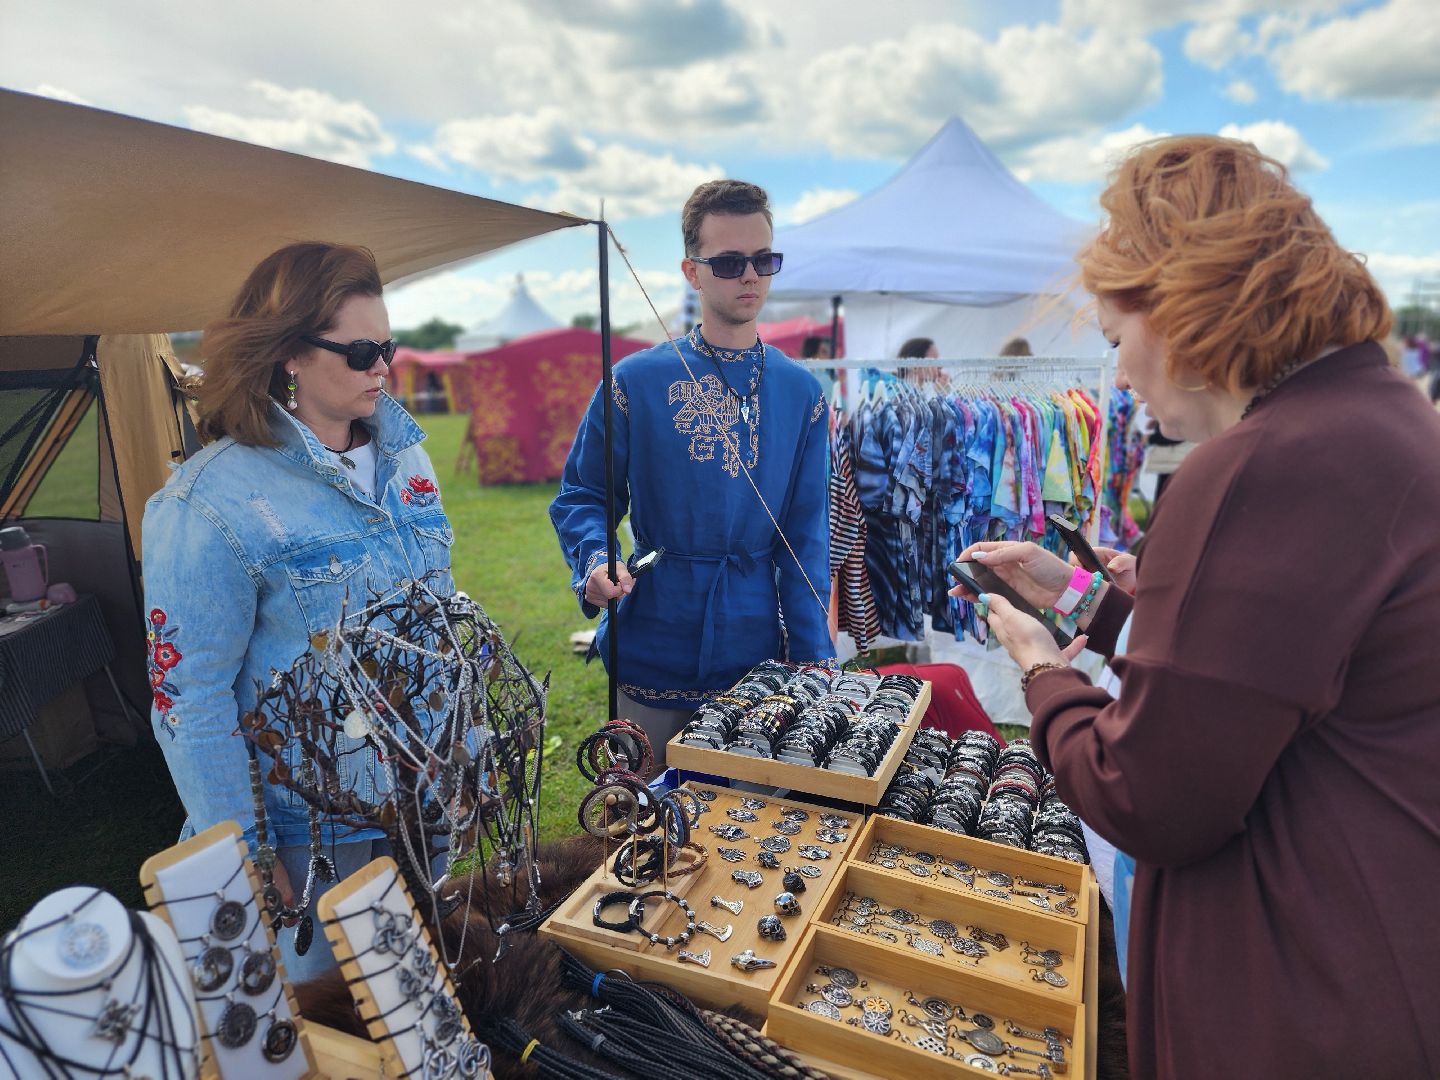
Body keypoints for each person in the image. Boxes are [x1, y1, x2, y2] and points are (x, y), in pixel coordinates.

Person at [952, 136, 1440, 1076]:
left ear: (1178, 304)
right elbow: (1264, 675)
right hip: (1367, 953)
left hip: (1300, 997)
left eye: (1115, 339)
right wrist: (1085, 598)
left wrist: (1042, 671)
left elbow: (1147, 794)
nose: (1122, 377)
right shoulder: (1377, 420)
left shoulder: (1262, 464)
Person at [142, 241, 457, 980]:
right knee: (323, 1027)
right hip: (307, 838)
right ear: (287, 353)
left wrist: (456, 765)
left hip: (419, 810)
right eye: (359, 351)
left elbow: (436, 629)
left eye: (387, 345)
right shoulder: (209, 503)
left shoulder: (408, 459)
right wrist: (246, 856)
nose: (383, 365)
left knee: (423, 1005)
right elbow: (190, 700)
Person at [550, 179, 832, 761]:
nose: (751, 275)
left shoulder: (802, 393)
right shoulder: (633, 383)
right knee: (644, 826)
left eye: (764, 259)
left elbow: (805, 538)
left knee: (751, 830)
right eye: (729, 262)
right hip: (655, 636)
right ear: (692, 271)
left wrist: (812, 655)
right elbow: (585, 494)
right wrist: (595, 557)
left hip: (757, 653)